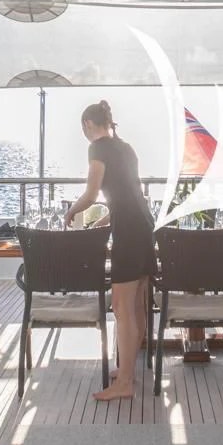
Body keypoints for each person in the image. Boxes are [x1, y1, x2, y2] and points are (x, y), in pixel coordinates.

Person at [66, 99, 153, 401]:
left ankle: (125, 382)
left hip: (129, 231)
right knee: (137, 304)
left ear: (88, 125)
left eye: (83, 129)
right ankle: (127, 369)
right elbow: (127, 192)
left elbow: (92, 193)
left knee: (121, 305)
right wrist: (106, 218)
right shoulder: (125, 148)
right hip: (142, 224)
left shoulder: (98, 147)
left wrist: (71, 212)